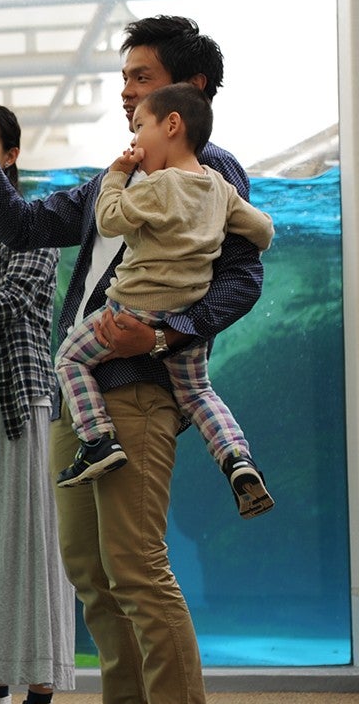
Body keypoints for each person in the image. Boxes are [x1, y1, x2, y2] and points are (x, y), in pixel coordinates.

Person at [0, 15, 264, 704]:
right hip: (83, 389)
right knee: (92, 569)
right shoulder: (124, 170)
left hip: (139, 389)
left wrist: (167, 332)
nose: (124, 91)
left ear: (188, 91)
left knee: (136, 564)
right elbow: (27, 222)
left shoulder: (212, 173)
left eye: (139, 76)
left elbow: (242, 278)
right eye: (124, 77)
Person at [54, 83, 276, 521]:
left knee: (68, 361)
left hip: (130, 311)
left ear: (172, 125)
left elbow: (109, 218)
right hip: (184, 319)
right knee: (197, 391)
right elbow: (264, 230)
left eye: (140, 127)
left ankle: (97, 439)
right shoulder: (219, 188)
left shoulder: (158, 186)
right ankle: (236, 458)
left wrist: (118, 173)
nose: (134, 139)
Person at [0, 102, 77, 704]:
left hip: (25, 403)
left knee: (34, 548)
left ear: (8, 154)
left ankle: (39, 700)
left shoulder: (31, 225)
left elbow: (20, 298)